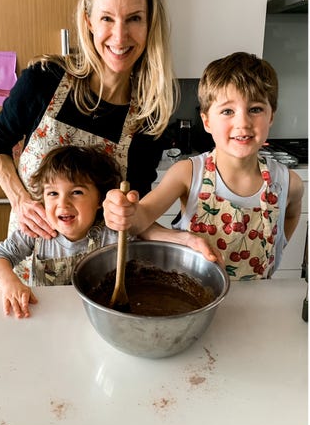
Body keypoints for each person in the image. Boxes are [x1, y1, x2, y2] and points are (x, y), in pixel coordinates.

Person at [0, 0, 178, 240]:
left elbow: (135, 217)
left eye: (134, 18)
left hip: (97, 273)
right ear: (89, 23)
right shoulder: (44, 79)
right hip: (26, 266)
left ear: (149, 25)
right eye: (107, 18)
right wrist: (19, 199)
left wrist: (184, 238)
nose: (120, 36)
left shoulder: (149, 117)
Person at [103, 52, 304, 281]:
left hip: (256, 301)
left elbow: (291, 215)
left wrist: (277, 248)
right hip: (195, 299)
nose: (243, 123)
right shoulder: (188, 174)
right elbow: (141, 218)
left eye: (255, 109)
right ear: (206, 121)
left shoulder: (288, 183)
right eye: (228, 111)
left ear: (271, 117)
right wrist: (124, 212)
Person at [0, 145, 222, 318]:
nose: (63, 203)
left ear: (99, 199)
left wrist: (188, 240)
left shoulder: (110, 232)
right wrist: (10, 284)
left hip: (98, 317)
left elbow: (145, 230)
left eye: (76, 192)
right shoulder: (38, 233)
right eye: (52, 194)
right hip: (48, 315)